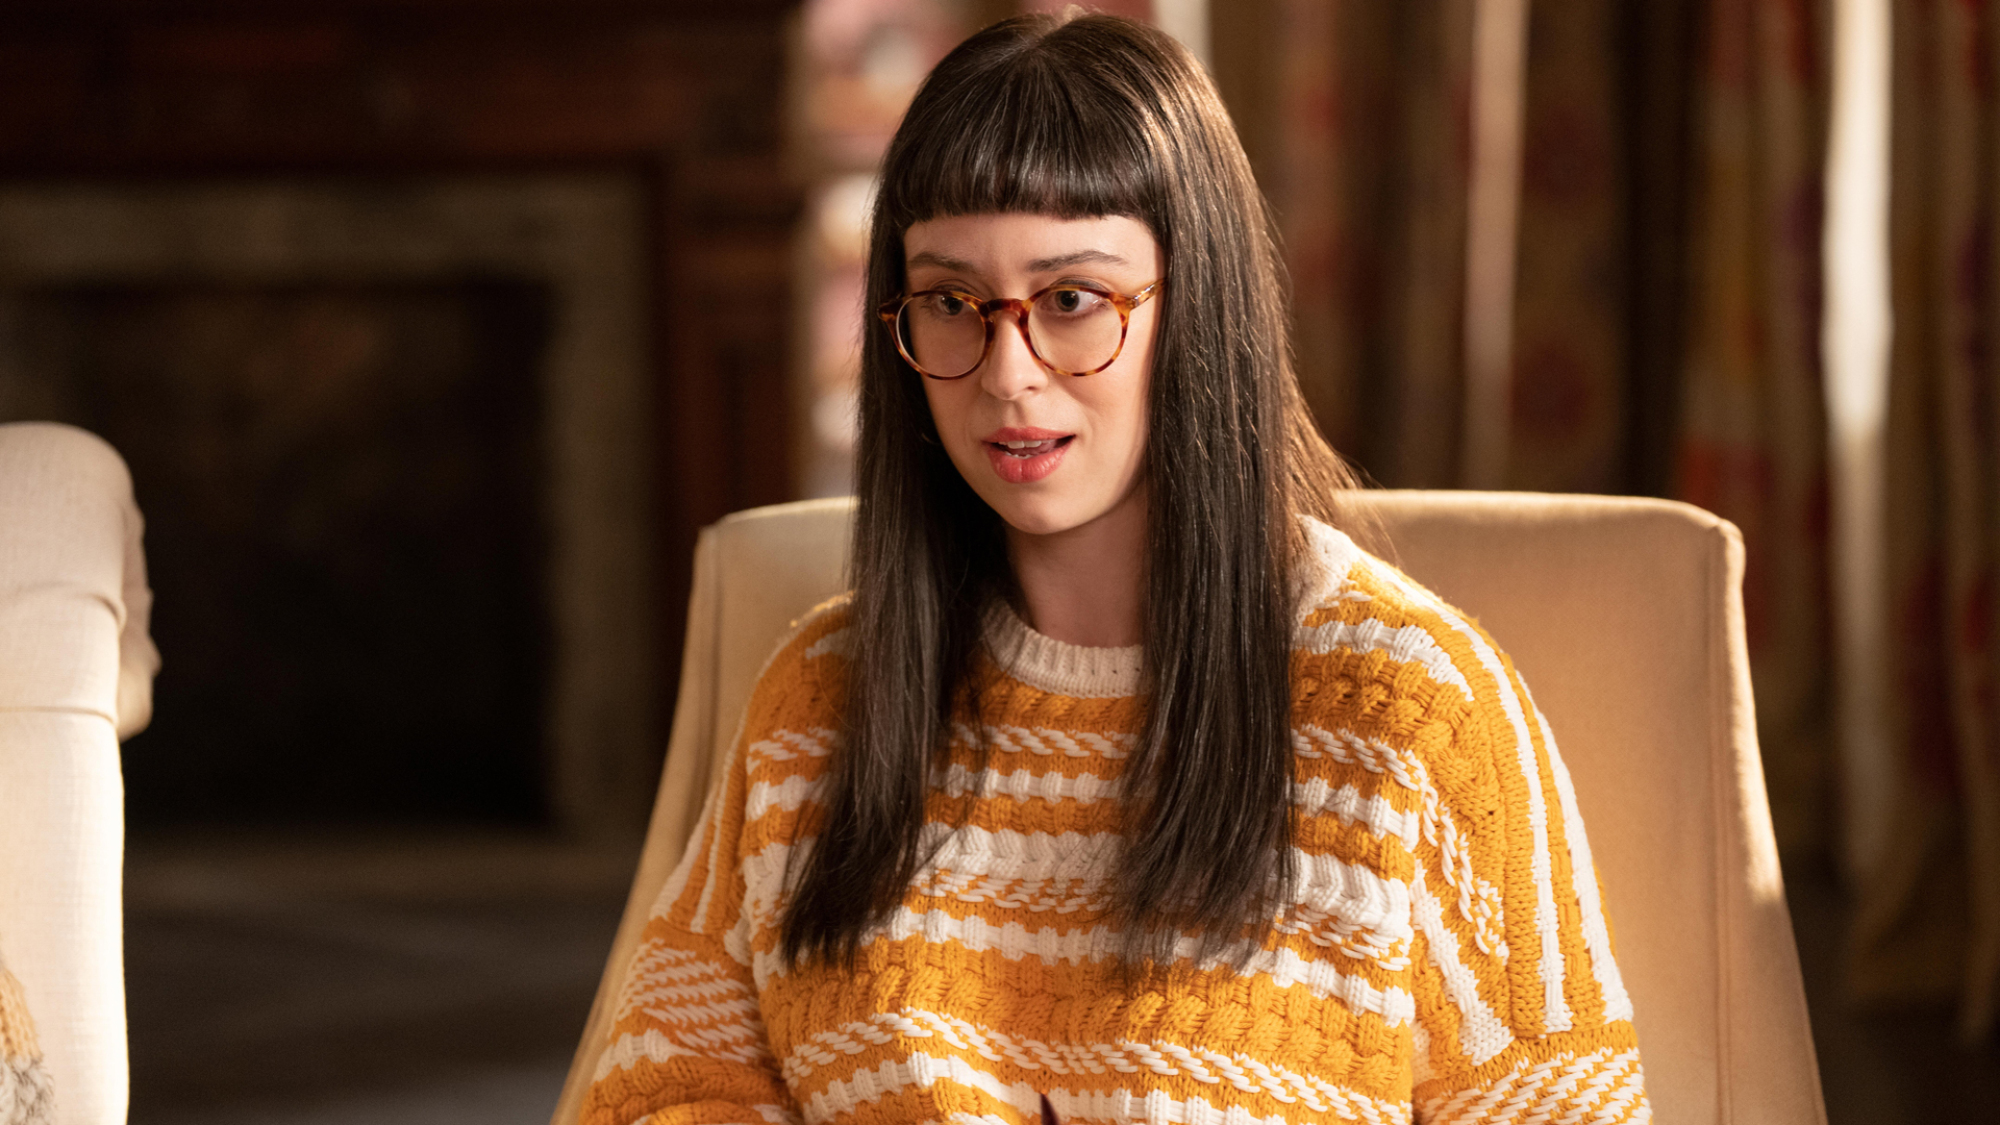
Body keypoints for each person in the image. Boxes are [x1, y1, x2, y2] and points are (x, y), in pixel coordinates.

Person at [583, 13, 1648, 1125]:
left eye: (1072, 300)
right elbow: (659, 1086)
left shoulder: (1413, 710)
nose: (1007, 374)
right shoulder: (818, 699)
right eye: (951, 301)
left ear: (1197, 307)